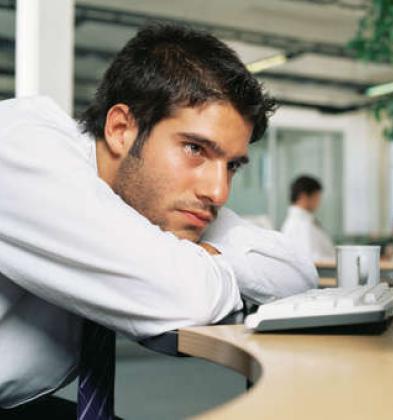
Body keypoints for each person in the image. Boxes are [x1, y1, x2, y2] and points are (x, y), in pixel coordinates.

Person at [0, 25, 317, 416]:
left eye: (232, 165)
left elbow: (295, 274)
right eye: (195, 148)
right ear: (121, 129)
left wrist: (202, 257)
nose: (219, 191)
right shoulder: (20, 149)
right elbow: (187, 297)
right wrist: (194, 269)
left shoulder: (161, 201)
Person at [281, 175, 336, 262]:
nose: (319, 202)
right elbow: (312, 260)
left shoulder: (304, 221)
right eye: (316, 197)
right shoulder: (299, 224)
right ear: (303, 196)